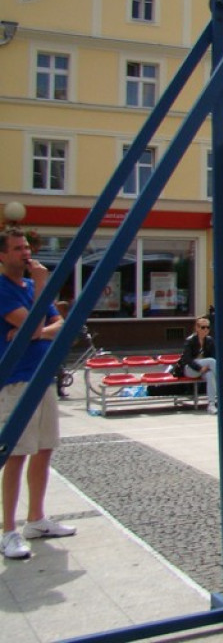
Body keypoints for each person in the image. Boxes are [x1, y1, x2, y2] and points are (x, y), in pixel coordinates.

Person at [0, 227, 77, 560]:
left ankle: (36, 519)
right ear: (2, 255)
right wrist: (42, 290)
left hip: (42, 378)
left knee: (44, 449)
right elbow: (35, 324)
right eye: (18, 248)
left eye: (27, 247)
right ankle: (8, 530)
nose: (26, 253)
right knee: (16, 454)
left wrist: (36, 331)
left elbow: (61, 325)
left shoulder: (31, 288)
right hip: (16, 381)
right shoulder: (4, 289)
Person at [178, 316, 218, 414]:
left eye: (208, 327)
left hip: (205, 369)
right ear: (197, 328)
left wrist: (205, 368)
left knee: (210, 375)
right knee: (211, 361)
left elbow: (215, 355)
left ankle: (211, 405)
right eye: (203, 327)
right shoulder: (190, 340)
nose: (206, 330)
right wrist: (200, 368)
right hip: (190, 369)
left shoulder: (210, 340)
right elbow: (187, 359)